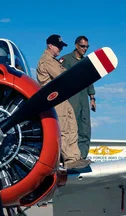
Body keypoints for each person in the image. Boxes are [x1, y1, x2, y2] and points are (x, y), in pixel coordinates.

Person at [36, 34, 91, 170]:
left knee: (72, 127)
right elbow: (62, 77)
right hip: (55, 99)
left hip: (62, 98)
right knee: (65, 130)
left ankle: (75, 158)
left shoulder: (53, 60)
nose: (60, 49)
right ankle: (69, 160)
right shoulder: (47, 60)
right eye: (58, 46)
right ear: (50, 46)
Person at [59, 36, 96, 159]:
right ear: (76, 46)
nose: (85, 49)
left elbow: (90, 80)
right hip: (71, 98)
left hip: (83, 98)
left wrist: (92, 98)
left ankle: (82, 156)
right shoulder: (66, 60)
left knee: (85, 127)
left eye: (87, 47)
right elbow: (58, 78)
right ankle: (69, 157)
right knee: (71, 128)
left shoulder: (87, 62)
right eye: (82, 46)